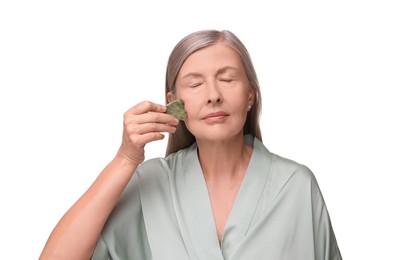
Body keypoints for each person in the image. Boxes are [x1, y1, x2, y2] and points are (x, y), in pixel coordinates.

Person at [40, 29, 342, 260]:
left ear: (250, 95)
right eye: (195, 84)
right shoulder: (149, 183)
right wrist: (125, 158)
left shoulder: (296, 185)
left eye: (227, 79)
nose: (213, 95)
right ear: (175, 105)